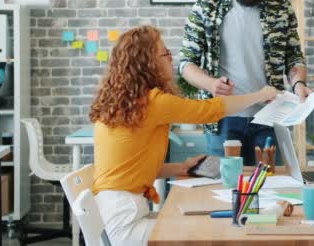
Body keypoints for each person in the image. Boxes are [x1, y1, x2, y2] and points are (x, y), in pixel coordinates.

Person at [89, 26, 278, 245]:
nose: (172, 58)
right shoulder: (153, 102)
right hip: (125, 223)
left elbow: (130, 168)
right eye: (165, 53)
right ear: (147, 63)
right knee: (212, 232)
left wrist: (181, 168)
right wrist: (260, 95)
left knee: (208, 226)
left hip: (114, 214)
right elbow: (210, 110)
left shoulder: (123, 103)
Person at [179, 0, 311, 165]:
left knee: (269, 188)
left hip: (270, 117)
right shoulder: (206, 8)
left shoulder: (280, 8)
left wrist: (298, 83)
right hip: (222, 118)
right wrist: (211, 84)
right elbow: (186, 64)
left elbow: (294, 57)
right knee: (225, 188)